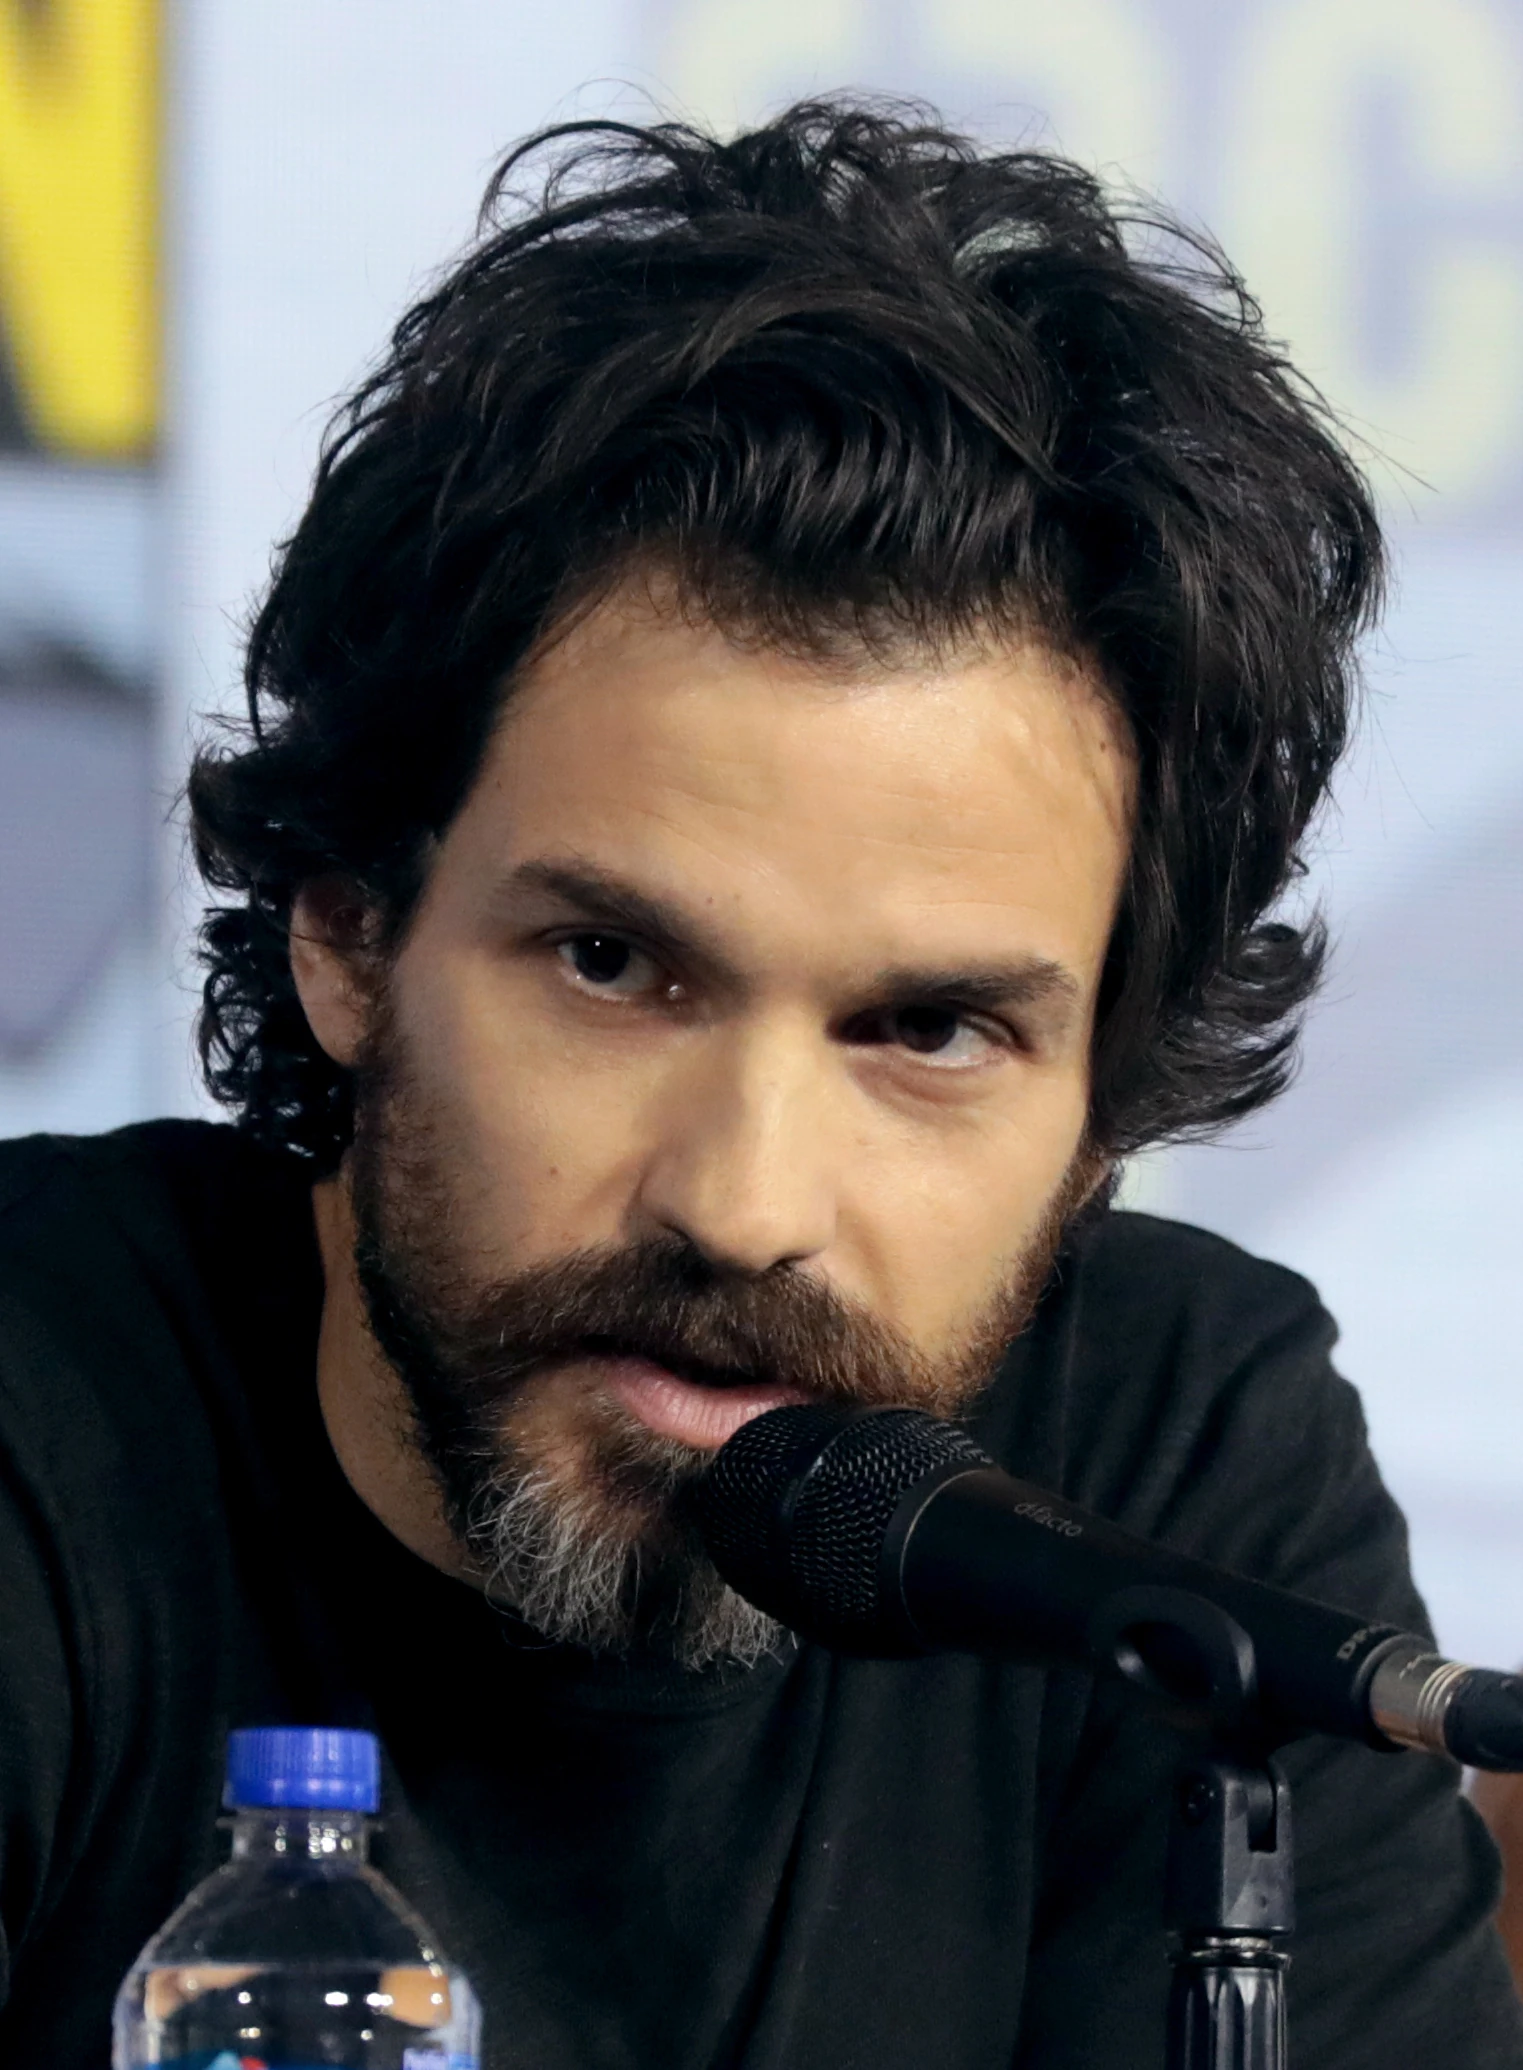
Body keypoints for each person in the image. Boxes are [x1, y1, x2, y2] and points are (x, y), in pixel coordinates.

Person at [0, 99, 1517, 2069]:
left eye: (926, 1032)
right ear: (350, 938)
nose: (740, 1201)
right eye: (612, 966)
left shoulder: (1175, 1472)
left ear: (1099, 1117)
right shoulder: (36, 1397)